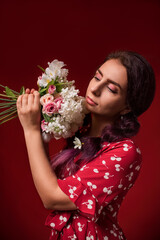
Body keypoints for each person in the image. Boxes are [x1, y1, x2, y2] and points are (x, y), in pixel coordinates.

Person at [16, 51, 156, 240]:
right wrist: (41, 123)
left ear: (127, 107)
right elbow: (48, 180)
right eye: (97, 77)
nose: (95, 89)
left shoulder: (125, 151)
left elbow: (53, 197)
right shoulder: (81, 129)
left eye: (112, 89)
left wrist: (31, 130)